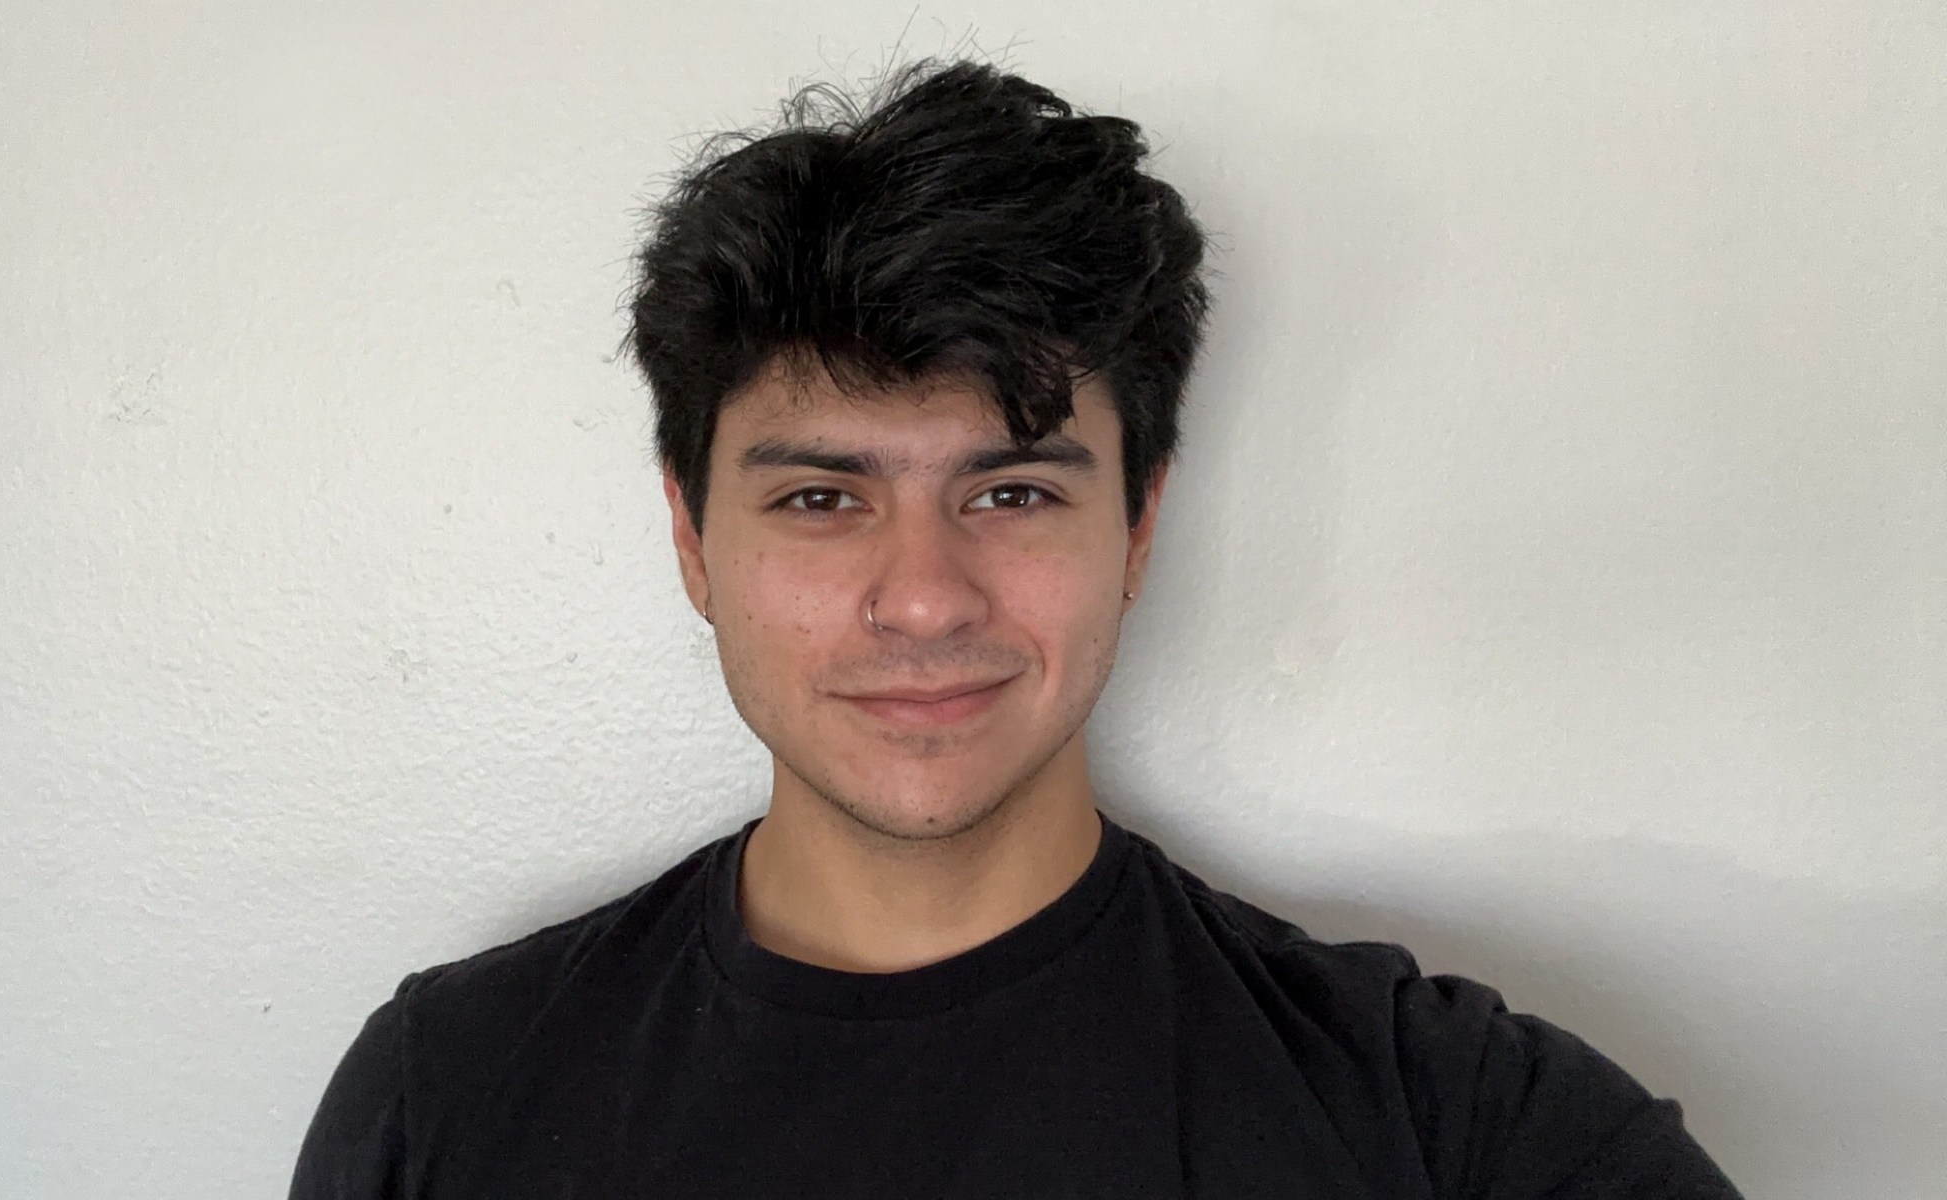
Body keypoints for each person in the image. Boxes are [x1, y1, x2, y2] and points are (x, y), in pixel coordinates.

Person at [288, 59, 1743, 1198]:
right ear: (691, 536)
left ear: (1139, 529)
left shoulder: (1459, 1126)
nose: (923, 597)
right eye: (818, 498)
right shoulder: (448, 1096)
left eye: (1013, 490)